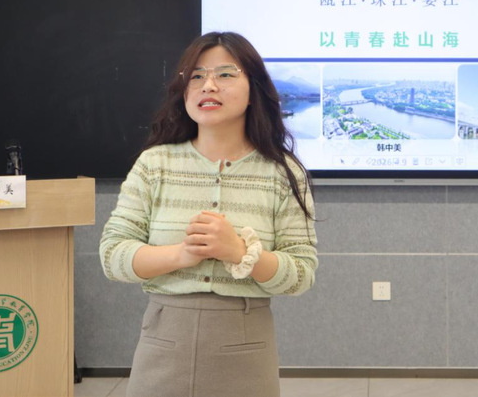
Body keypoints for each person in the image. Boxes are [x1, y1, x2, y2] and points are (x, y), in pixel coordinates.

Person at [100, 31, 317, 397]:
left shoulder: (283, 173)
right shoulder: (155, 164)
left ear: (254, 90)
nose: (208, 85)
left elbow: (301, 274)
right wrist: (181, 255)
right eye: (196, 76)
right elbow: (111, 256)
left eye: (225, 74)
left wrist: (241, 253)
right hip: (162, 341)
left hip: (247, 347)